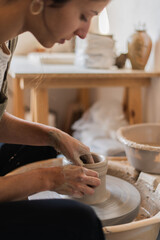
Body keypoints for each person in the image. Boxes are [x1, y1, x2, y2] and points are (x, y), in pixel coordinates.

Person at [0, 0, 110, 239]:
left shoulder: (7, 38)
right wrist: (48, 179)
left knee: (43, 149)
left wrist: (56, 136)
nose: (84, 33)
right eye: (84, 16)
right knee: (80, 221)